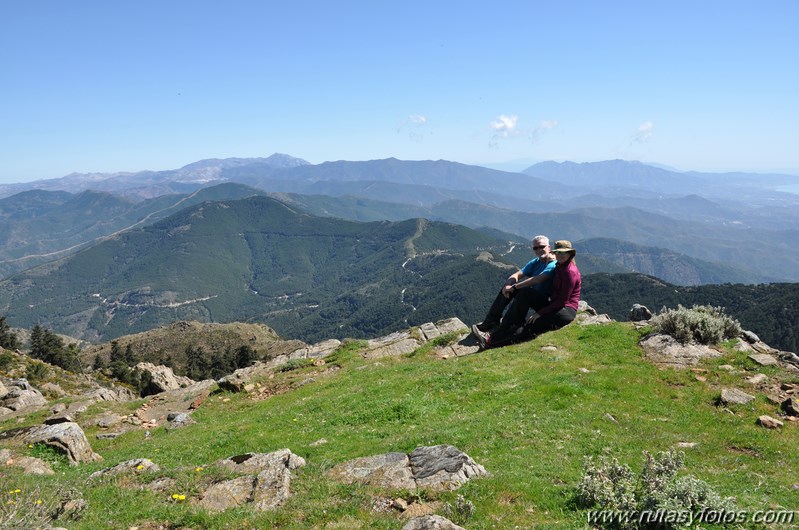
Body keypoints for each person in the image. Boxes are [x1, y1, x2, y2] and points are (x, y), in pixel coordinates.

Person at [474, 240, 581, 350]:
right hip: (553, 305)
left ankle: (492, 342)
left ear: (570, 254)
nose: (560, 255)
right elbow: (519, 274)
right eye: (558, 252)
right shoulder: (559, 266)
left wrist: (539, 313)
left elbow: (562, 301)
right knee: (525, 292)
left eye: (564, 253)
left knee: (529, 327)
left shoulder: (569, 272)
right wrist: (509, 285)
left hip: (564, 311)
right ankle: (497, 325)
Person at [472, 235, 556, 336]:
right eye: (535, 248)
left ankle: (505, 328)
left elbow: (538, 279)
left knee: (524, 291)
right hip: (536, 297)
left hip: (548, 302)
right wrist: (508, 285)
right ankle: (491, 321)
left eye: (542, 247)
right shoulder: (536, 262)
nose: (539, 250)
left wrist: (515, 287)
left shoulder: (553, 263)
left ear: (549, 247)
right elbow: (517, 275)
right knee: (508, 288)